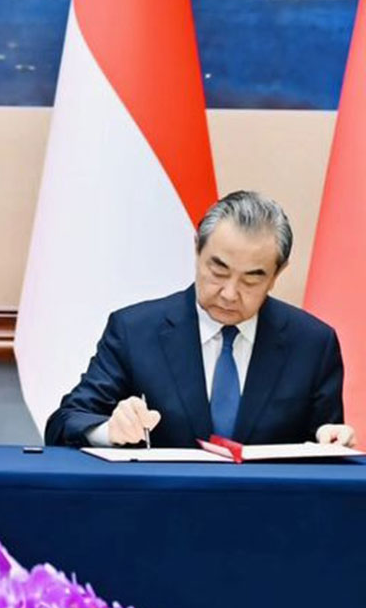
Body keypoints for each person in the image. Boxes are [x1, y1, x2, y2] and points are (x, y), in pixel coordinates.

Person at [47, 190, 355, 448]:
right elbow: (65, 422)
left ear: (277, 274)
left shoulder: (313, 344)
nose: (230, 293)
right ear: (197, 249)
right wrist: (109, 431)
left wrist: (330, 439)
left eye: (251, 279)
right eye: (218, 270)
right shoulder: (135, 331)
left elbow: (324, 446)